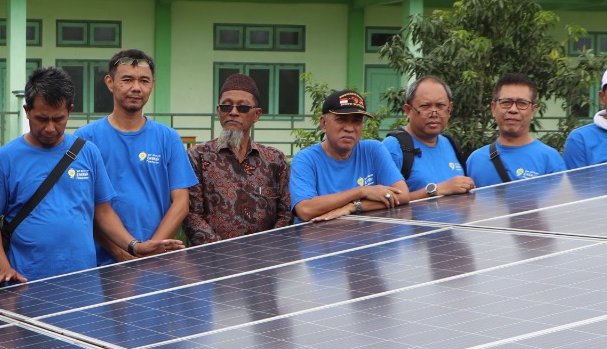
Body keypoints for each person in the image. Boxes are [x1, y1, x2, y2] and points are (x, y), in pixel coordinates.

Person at [0, 66, 180, 283]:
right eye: (42, 119)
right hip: (27, 280)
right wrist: (2, 267)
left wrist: (134, 245)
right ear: (27, 111)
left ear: (70, 111)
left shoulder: (87, 152)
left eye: (58, 119)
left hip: (84, 280)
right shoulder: (4, 160)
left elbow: (104, 212)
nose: (50, 128)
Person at [74, 49, 196, 263]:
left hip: (156, 264)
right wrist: (121, 252)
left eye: (144, 81)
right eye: (127, 80)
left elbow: (181, 203)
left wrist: (151, 250)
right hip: (103, 264)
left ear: (153, 84)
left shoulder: (168, 138)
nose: (136, 88)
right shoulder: (86, 138)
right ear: (110, 82)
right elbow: (84, 205)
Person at [184, 73, 292, 245]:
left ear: (256, 114)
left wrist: (267, 249)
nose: (233, 112)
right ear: (219, 111)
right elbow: (191, 215)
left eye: (242, 108)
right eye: (226, 107)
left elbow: (285, 213)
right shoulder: (197, 157)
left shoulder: (275, 160)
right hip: (212, 262)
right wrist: (222, 251)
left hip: (265, 260)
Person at [289, 90, 408, 221]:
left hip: (364, 235)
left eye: (356, 121)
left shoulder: (373, 150)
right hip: (318, 237)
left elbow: (402, 195)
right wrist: (361, 191)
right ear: (323, 123)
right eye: (341, 120)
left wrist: (352, 207)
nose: (350, 128)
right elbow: (305, 209)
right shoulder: (306, 159)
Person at [381, 76, 475, 200]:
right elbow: (383, 201)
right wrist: (436, 190)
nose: (433, 113)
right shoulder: (393, 146)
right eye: (425, 106)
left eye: (440, 106)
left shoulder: (451, 144)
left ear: (449, 109)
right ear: (408, 110)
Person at [465, 73, 566, 187]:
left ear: (532, 110)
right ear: (493, 108)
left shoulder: (550, 159)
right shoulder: (475, 160)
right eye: (506, 103)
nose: (513, 110)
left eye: (522, 103)